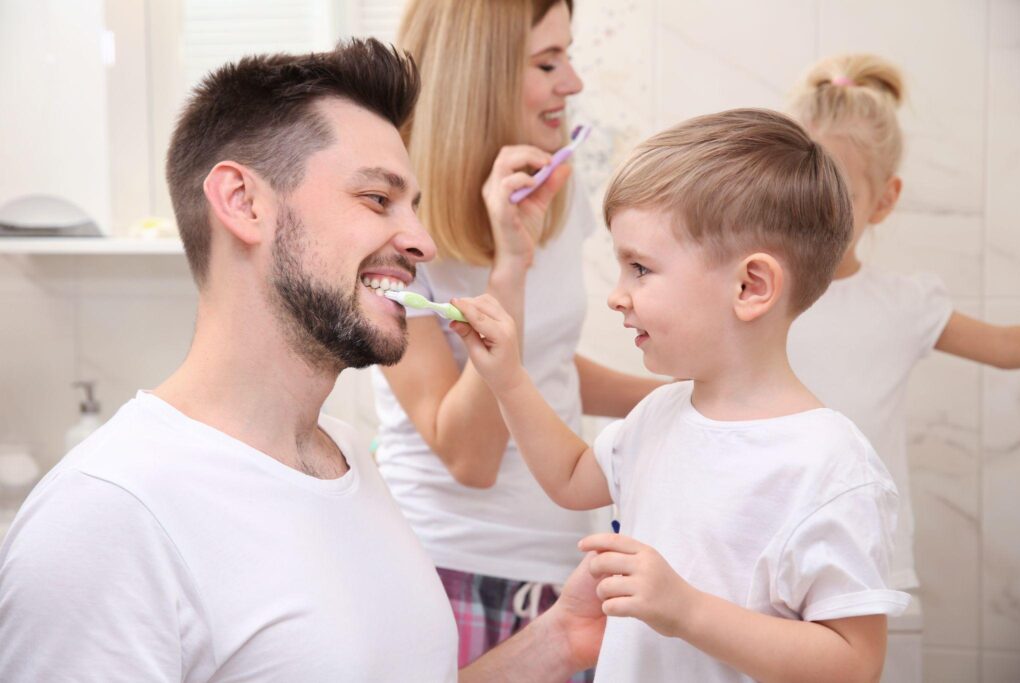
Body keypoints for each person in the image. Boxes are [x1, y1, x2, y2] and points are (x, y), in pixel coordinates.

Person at [0, 40, 606, 681]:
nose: (421, 242)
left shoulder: (346, 463)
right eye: (378, 199)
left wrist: (560, 638)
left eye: (413, 208)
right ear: (242, 201)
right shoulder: (108, 517)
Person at [447, 108, 912, 682]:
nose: (617, 296)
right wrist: (508, 379)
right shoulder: (661, 414)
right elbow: (570, 477)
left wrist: (687, 610)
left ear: (750, 286)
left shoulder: (829, 465)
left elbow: (855, 662)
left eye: (639, 268)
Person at [372, 0, 661, 668]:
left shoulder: (555, 189)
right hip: (455, 571)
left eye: (569, 54)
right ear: (481, 74)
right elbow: (469, 455)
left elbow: (546, 361)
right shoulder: (396, 235)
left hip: (563, 567)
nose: (574, 82)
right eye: (547, 62)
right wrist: (509, 266)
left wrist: (691, 395)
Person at [785, 53, 1020, 683]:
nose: (813, 205)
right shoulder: (754, 292)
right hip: (765, 565)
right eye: (799, 180)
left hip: (871, 575)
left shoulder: (905, 305)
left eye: (838, 187)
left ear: (884, 200)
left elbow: (1007, 346)